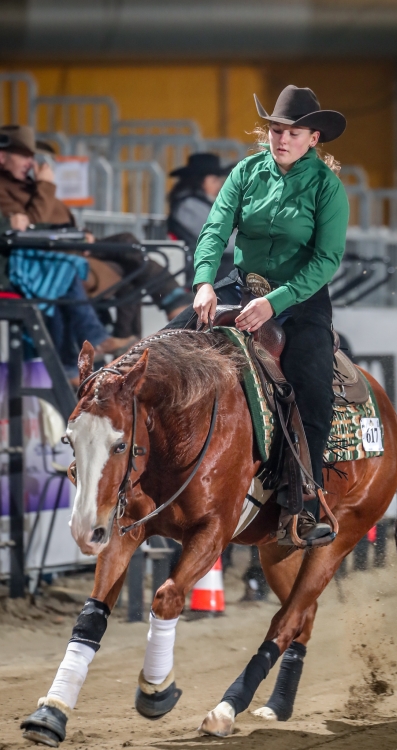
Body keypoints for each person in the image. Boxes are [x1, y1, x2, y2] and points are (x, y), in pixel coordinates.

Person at [167, 85, 349, 544]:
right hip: (239, 283)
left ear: (313, 138)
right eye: (275, 130)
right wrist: (204, 281)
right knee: (164, 347)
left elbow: (326, 261)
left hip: (300, 300)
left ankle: (305, 501)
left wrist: (275, 302)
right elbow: (214, 228)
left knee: (311, 383)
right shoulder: (247, 171)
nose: (281, 138)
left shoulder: (327, 188)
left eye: (292, 132)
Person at [0, 125, 194, 336]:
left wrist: (81, 232)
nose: (31, 163)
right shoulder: (12, 187)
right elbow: (30, 227)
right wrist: (45, 186)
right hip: (51, 254)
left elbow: (57, 219)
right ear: (2, 156)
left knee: (128, 249)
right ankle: (163, 309)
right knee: (128, 265)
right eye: (23, 156)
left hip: (71, 245)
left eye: (31, 156)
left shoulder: (28, 185)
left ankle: (131, 337)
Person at [168, 153, 236, 286]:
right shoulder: (189, 206)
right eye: (214, 180)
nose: (219, 184)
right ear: (201, 181)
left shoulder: (196, 203)